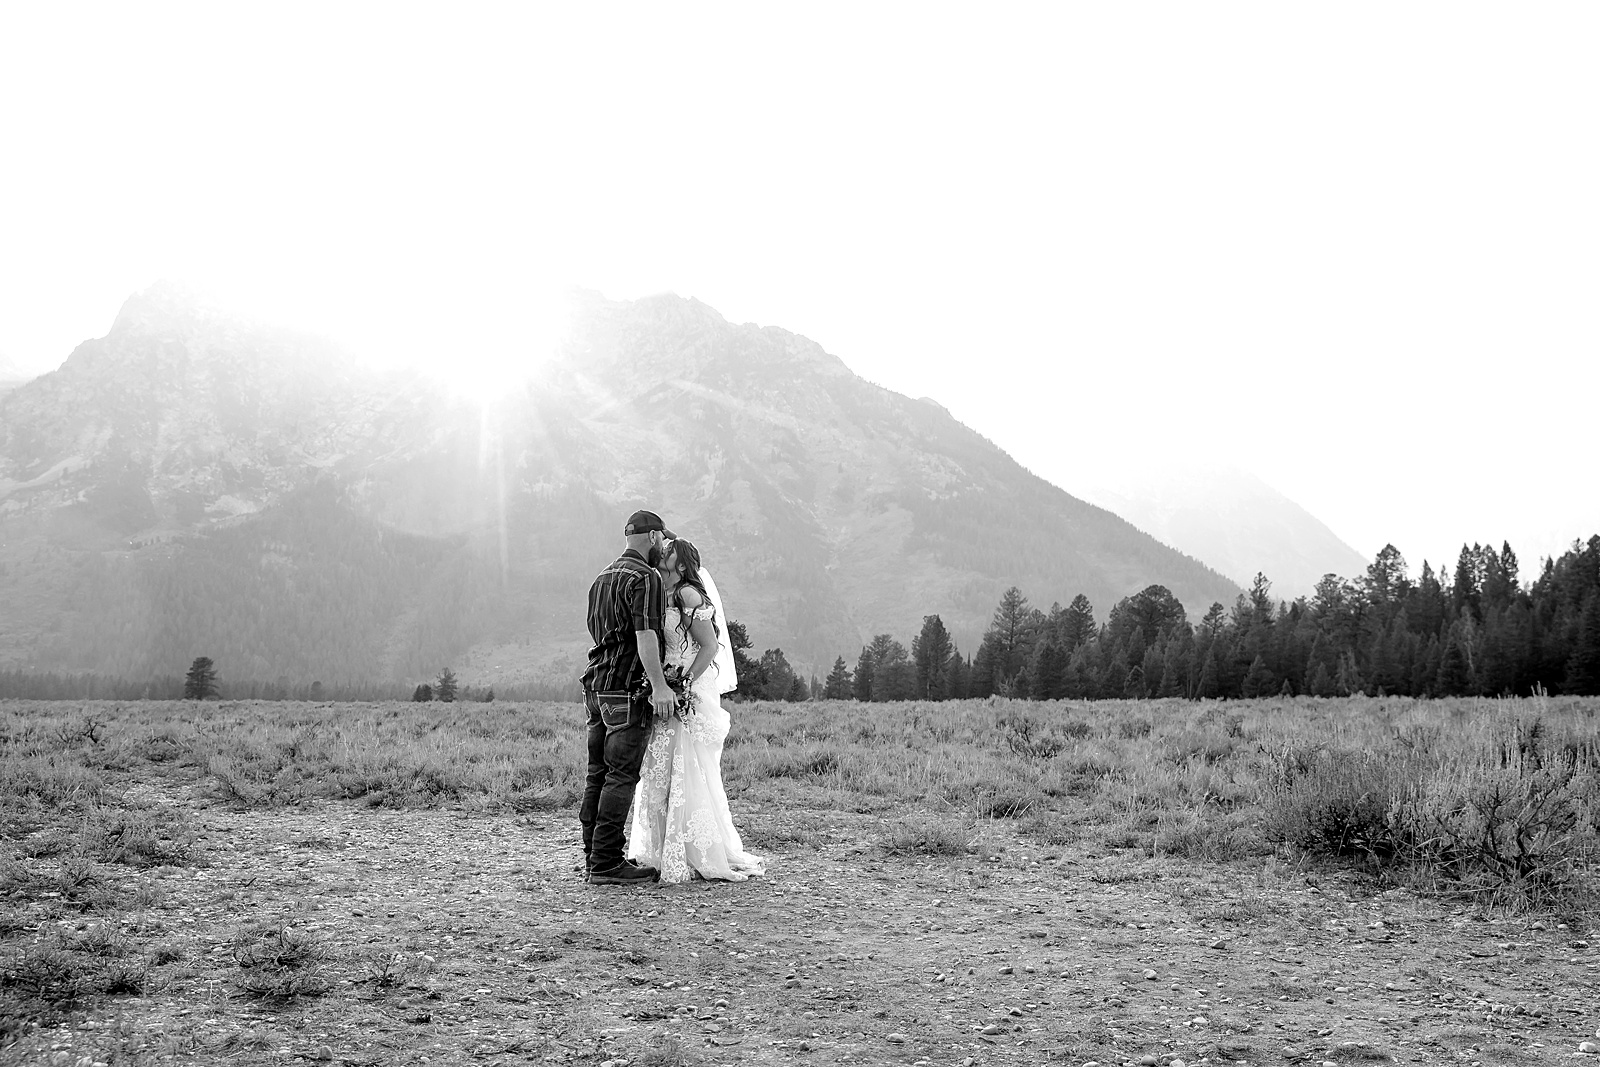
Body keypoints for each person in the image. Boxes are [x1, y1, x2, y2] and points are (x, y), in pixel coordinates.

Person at [628, 537, 765, 883]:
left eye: (670, 550)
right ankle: (662, 849)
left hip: (688, 686)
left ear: (681, 564)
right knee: (661, 766)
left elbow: (709, 646)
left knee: (686, 764)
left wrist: (684, 682)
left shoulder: (687, 594)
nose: (664, 550)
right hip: (665, 684)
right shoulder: (661, 590)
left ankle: (694, 849)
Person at [579, 509, 679, 886]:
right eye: (663, 539)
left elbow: (596, 631)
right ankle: (607, 862)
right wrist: (659, 685)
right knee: (621, 774)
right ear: (652, 537)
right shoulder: (646, 577)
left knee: (597, 773)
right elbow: (645, 635)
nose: (664, 546)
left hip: (595, 686)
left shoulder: (601, 577)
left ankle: (593, 856)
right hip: (625, 687)